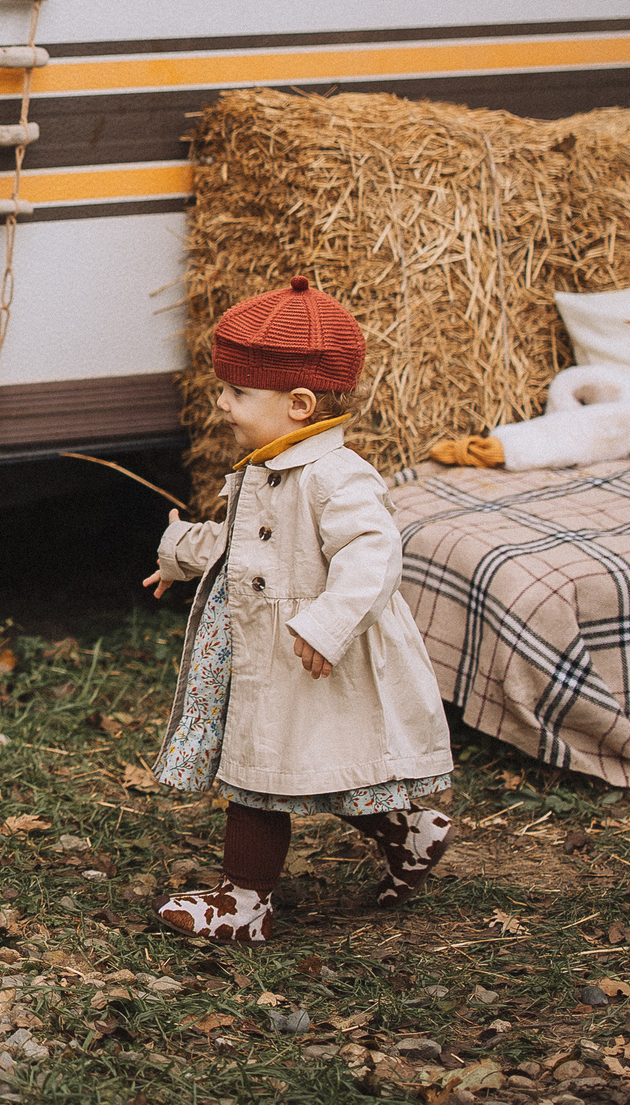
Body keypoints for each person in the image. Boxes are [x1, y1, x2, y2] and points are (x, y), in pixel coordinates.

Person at [141, 278, 455, 943]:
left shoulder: (336, 476)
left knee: (260, 776)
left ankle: (243, 902)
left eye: (237, 391)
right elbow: (240, 540)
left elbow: (374, 556)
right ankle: (406, 832)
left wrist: (327, 624)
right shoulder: (266, 465)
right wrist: (177, 553)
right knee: (321, 768)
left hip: (310, 656)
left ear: (299, 403)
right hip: (272, 655)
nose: (221, 402)